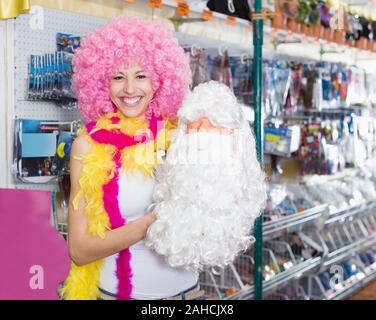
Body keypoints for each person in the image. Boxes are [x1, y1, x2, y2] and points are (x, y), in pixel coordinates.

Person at [61, 15, 201, 300]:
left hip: (189, 295)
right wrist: (152, 223)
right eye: (117, 77)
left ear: (160, 79)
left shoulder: (181, 136)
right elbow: (79, 250)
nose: (129, 89)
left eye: (141, 76)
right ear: (102, 82)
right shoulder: (87, 147)